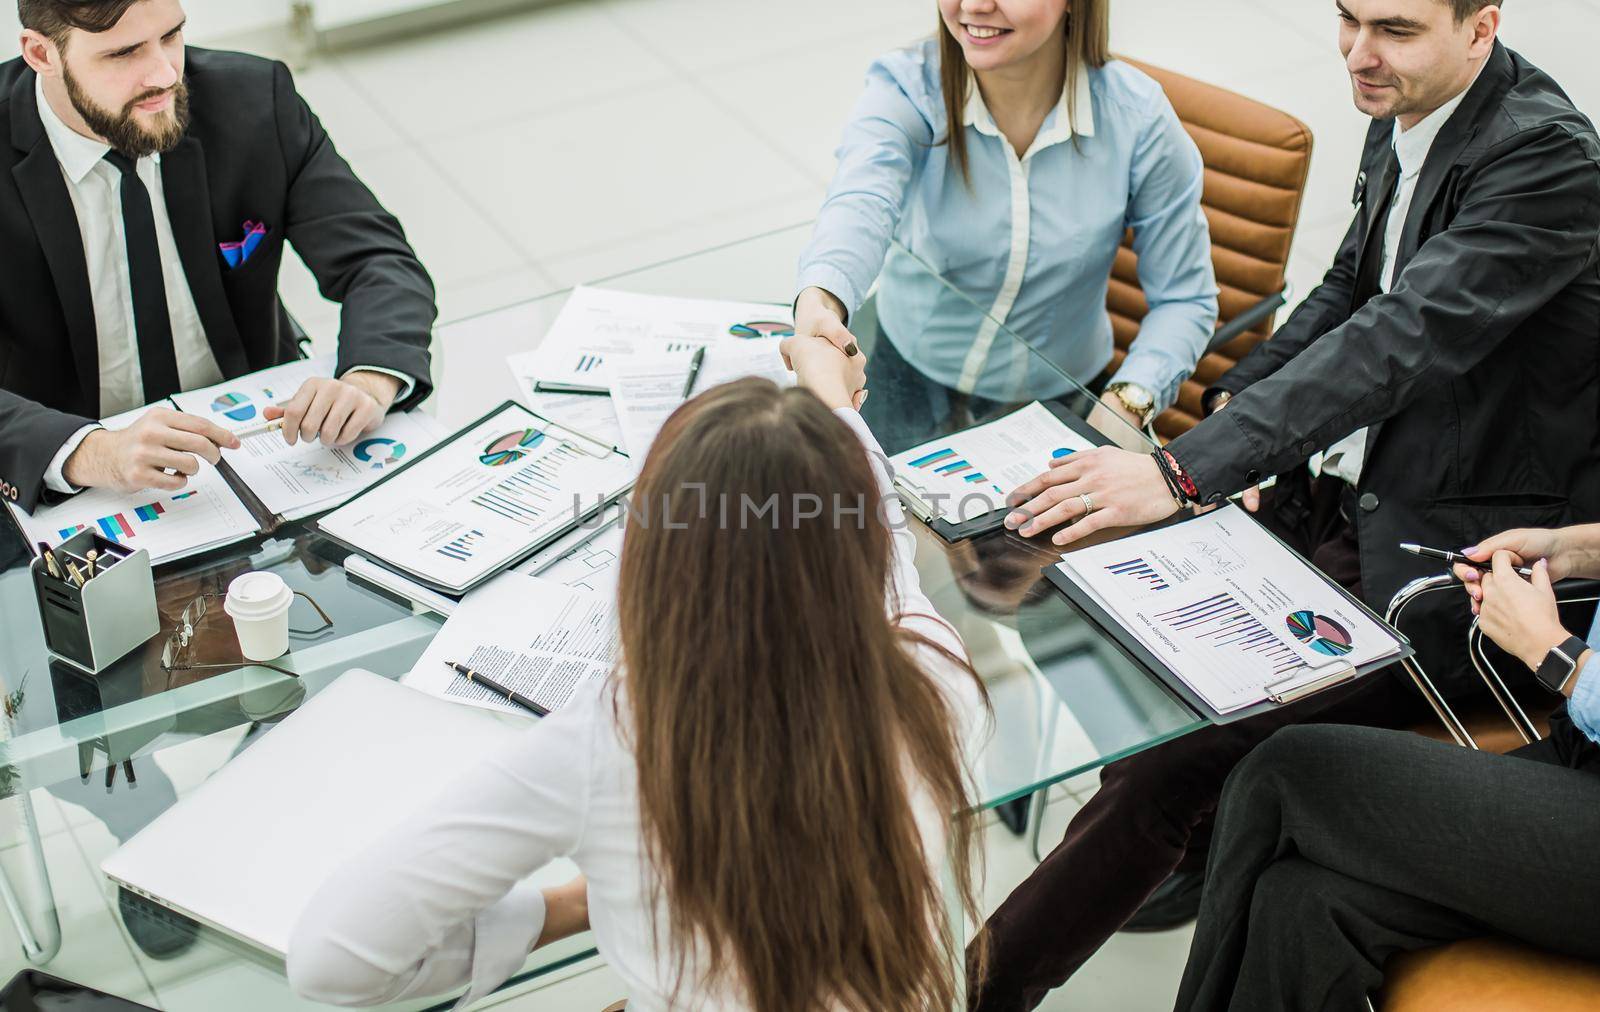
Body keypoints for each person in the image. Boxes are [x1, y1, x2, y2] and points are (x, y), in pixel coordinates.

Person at [968, 1, 1600, 1007]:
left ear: (1480, 27)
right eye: (1347, 19)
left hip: (1439, 559)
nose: (1357, 53)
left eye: (1392, 28)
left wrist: (1187, 470)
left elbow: (1398, 335)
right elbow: (1351, 282)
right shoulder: (1412, 104)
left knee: (1167, 757)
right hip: (1334, 502)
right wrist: (1239, 402)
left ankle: (969, 986)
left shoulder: (1545, 163)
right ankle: (1172, 844)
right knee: (1083, 597)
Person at [286, 338, 991, 1012]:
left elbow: (331, 960)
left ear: (659, 564)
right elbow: (888, 537)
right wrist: (833, 402)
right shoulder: (937, 673)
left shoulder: (611, 737)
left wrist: (564, 909)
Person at [0, 0, 436, 514]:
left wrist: (368, 378)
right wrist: (86, 452)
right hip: (61, 469)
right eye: (124, 53)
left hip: (257, 442)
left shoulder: (252, 99)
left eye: (171, 36)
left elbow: (377, 259)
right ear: (40, 53)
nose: (163, 74)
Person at [1174, 524, 1600, 1011]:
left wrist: (1561, 659)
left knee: (1292, 770)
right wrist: (1568, 550)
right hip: (1581, 745)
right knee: (1301, 902)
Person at [793, 0, 1216, 454]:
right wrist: (820, 302)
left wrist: (1128, 402)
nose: (974, 5)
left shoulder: (1136, 118)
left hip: (1063, 397)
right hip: (906, 375)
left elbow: (1185, 298)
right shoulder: (908, 88)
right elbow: (860, 203)